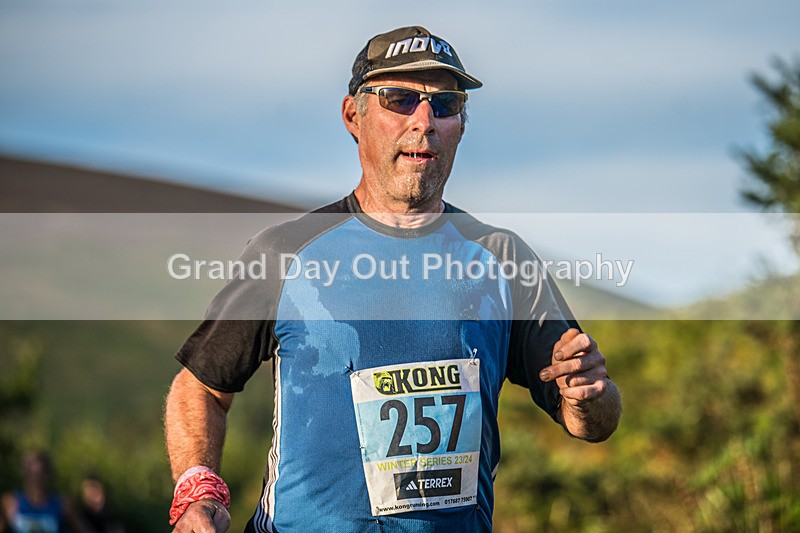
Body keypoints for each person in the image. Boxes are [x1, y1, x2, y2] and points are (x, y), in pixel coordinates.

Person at [164, 25, 622, 532]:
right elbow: (201, 387)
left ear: (461, 127)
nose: (424, 121)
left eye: (445, 105)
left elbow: (592, 419)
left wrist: (590, 397)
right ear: (353, 116)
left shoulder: (500, 258)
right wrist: (197, 490)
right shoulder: (287, 252)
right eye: (400, 99)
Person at [0, 451, 82, 533]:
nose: (36, 479)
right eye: (31, 474)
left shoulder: (63, 505)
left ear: (48, 475)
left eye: (41, 474)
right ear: (24, 474)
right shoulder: (11, 503)